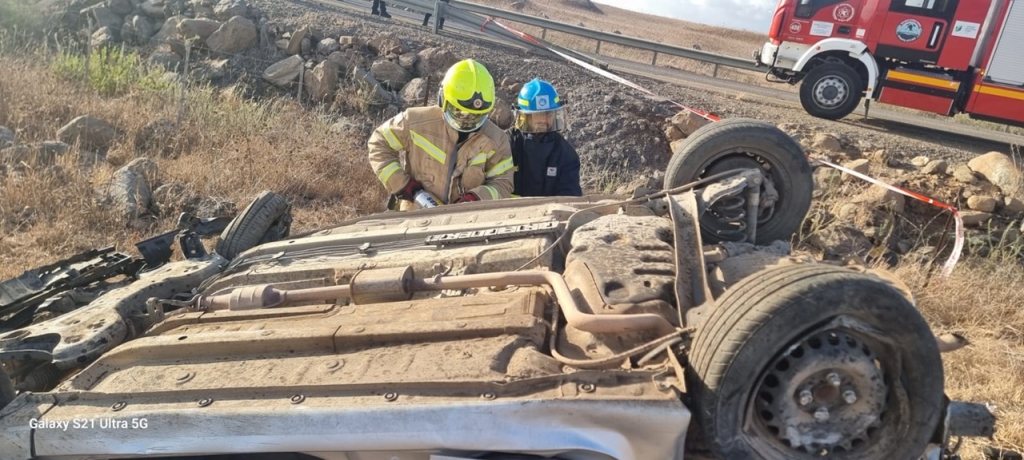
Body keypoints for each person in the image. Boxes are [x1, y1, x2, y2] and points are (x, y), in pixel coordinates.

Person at [368, 59, 515, 211]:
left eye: (475, 116)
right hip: (414, 217)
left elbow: (503, 182)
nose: (467, 120)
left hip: (466, 222)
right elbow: (379, 143)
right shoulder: (415, 122)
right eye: (459, 112)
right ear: (442, 99)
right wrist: (402, 184)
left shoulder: (497, 140)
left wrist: (477, 198)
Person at [508, 78, 582, 197]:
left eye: (549, 114)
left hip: (549, 213)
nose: (544, 119)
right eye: (538, 114)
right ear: (523, 116)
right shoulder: (507, 143)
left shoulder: (566, 153)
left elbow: (570, 195)